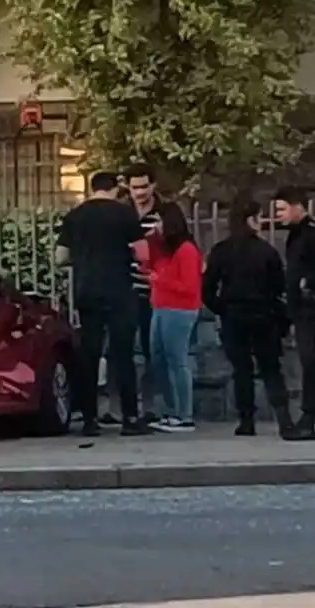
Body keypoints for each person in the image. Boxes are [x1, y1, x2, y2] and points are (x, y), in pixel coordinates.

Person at [57, 171, 151, 437]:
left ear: (92, 188)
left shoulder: (75, 216)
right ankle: (130, 418)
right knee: (123, 356)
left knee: (90, 355)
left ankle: (89, 420)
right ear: (114, 189)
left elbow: (60, 257)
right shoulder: (125, 214)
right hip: (120, 290)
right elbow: (142, 253)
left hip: (87, 290)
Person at [202, 197, 294, 438]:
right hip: (264, 315)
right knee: (271, 368)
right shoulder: (266, 251)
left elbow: (207, 289)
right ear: (251, 220)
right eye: (259, 217)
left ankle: (246, 420)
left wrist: (222, 308)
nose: (262, 221)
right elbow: (278, 287)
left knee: (241, 370)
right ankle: (284, 419)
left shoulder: (221, 251)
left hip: (234, 316)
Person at [273, 186, 315, 441]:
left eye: (282, 209)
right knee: (313, 362)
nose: (278, 215)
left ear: (298, 207)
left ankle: (308, 416)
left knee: (313, 362)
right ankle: (309, 415)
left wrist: (309, 283)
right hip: (301, 311)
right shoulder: (294, 235)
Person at [145, 203, 203, 432]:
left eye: (159, 221)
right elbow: (147, 264)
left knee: (177, 360)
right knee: (159, 359)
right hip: (161, 306)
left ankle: (185, 414)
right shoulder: (164, 249)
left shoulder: (186, 249)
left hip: (180, 309)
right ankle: (171, 411)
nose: (156, 226)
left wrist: (159, 280)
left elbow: (189, 285)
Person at [117, 163, 163, 427]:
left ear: (153, 185)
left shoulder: (166, 211)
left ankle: (151, 406)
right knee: (122, 351)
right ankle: (122, 407)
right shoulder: (121, 211)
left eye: (144, 186)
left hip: (155, 288)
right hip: (126, 287)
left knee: (152, 351)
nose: (139, 192)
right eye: (134, 187)